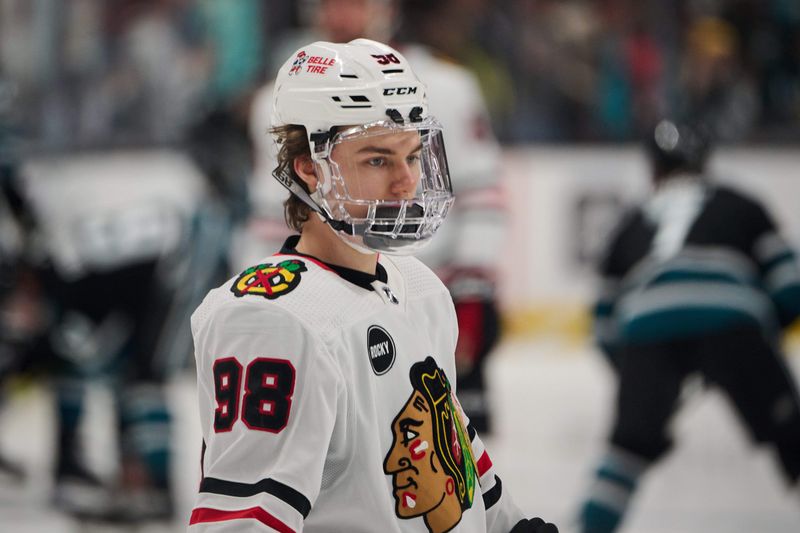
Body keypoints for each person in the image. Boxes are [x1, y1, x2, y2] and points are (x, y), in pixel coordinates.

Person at [189, 38, 557, 533]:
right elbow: (243, 521)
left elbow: (458, 466)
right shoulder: (271, 318)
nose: (407, 181)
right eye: (378, 160)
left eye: (412, 154)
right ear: (309, 169)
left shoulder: (422, 288)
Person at [242, 0, 505, 433]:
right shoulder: (280, 99)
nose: (342, 14)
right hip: (324, 302)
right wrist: (266, 304)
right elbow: (271, 216)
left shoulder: (447, 85)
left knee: (451, 461)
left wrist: (472, 294)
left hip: (437, 293)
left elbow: (482, 194)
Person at [576, 119, 800, 532]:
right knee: (793, 434)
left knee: (626, 451)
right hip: (735, 320)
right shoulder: (742, 204)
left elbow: (605, 326)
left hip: (647, 329)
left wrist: (640, 387)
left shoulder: (632, 220)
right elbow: (790, 287)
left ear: (653, 169)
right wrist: (757, 342)